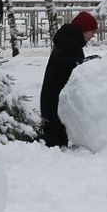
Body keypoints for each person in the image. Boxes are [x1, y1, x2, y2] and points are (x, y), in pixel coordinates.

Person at [39, 11, 98, 147]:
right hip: (54, 104)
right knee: (57, 142)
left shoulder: (70, 42)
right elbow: (59, 62)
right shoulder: (68, 43)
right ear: (83, 29)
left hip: (55, 101)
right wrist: (78, 63)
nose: (93, 35)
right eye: (92, 31)